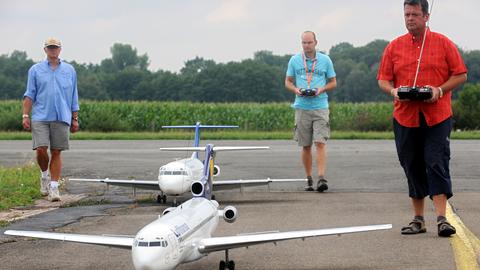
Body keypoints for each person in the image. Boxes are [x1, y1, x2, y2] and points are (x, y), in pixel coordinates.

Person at [377, 0, 467, 237]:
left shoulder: (444, 43)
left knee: (436, 161)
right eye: (407, 14)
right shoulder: (394, 47)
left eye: (415, 14)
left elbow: (460, 74)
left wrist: (439, 90)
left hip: (437, 115)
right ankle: (418, 219)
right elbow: (383, 79)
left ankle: (442, 219)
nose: (410, 19)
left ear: (426, 16)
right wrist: (394, 91)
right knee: (411, 163)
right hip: (405, 116)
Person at [22, 37, 80, 202]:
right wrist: (25, 115)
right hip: (40, 115)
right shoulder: (35, 70)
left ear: (60, 50)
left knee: (56, 151)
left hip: (62, 115)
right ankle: (44, 175)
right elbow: (29, 94)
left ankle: (54, 188)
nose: (53, 50)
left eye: (55, 48)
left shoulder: (69, 70)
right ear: (45, 50)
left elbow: (73, 95)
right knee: (41, 149)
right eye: (50, 48)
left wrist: (75, 118)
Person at [285, 31, 337, 192]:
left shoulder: (325, 60)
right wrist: (296, 89)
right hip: (301, 106)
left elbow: (333, 82)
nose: (306, 45)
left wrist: (322, 89)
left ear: (315, 42)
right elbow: (287, 81)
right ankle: (308, 178)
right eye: (304, 43)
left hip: (320, 106)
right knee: (305, 145)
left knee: (320, 142)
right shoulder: (294, 60)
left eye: (309, 42)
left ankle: (321, 178)